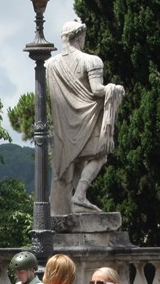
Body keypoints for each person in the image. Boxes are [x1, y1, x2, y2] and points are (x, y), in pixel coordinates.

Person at [45, 20, 125, 215]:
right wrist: (115, 89)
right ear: (79, 37)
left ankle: (72, 203)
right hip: (88, 119)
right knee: (101, 155)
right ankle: (79, 195)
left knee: (78, 161)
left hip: (65, 126)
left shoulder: (50, 65)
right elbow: (97, 90)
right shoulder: (91, 61)